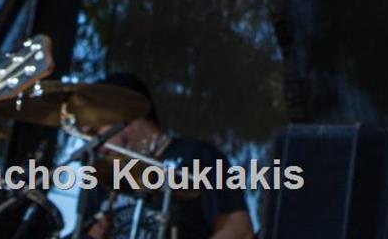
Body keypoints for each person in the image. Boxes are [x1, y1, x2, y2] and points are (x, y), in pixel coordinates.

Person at [71, 73, 252, 239]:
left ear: (126, 111)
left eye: (97, 130)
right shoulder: (100, 179)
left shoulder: (197, 155)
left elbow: (238, 230)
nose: (94, 142)